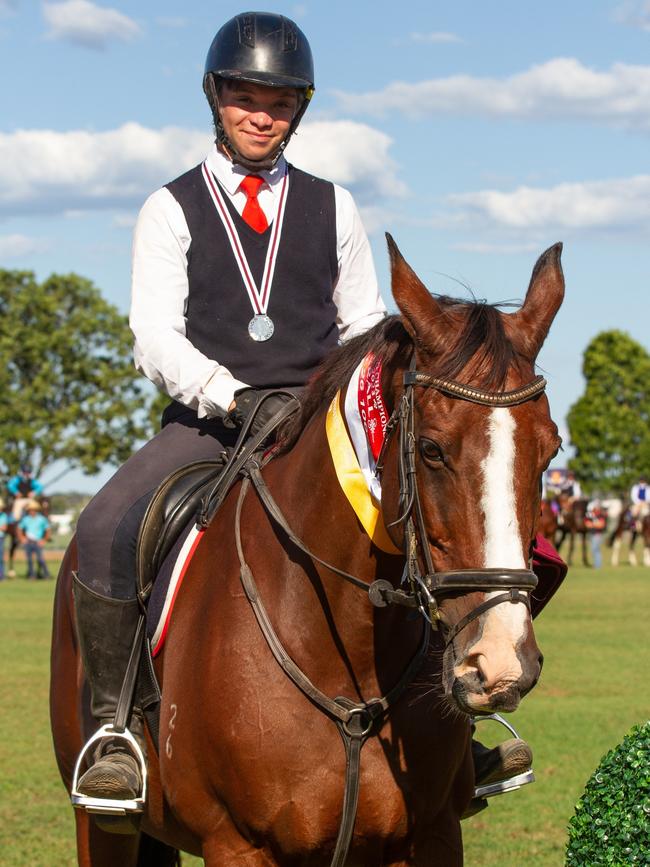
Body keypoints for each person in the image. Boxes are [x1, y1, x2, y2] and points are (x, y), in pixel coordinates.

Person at [71, 10, 532, 816]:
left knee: (446, 521)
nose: (261, 114)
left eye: (278, 102)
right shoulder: (169, 207)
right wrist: (232, 392)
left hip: (321, 423)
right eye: (245, 97)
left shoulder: (333, 206)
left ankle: (462, 736)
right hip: (211, 420)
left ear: (300, 110)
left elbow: (360, 328)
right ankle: (115, 732)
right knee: (110, 522)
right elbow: (153, 334)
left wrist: (339, 404)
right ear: (215, 99)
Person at [17, 500, 51, 579]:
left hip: (37, 542)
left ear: (36, 510)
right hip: (28, 542)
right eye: (30, 510)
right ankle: (32, 575)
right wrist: (22, 538)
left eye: (33, 509)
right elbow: (19, 529)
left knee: (40, 559)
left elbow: (48, 530)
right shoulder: (25, 519)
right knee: (29, 560)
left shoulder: (42, 519)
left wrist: (44, 540)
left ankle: (46, 575)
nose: (32, 511)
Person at [585, 499, 607, 568]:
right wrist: (595, 524)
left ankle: (597, 565)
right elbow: (587, 524)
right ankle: (597, 564)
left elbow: (601, 525)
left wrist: (593, 524)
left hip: (597, 535)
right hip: (591, 534)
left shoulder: (601, 515)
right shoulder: (589, 515)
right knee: (595, 549)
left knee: (595, 549)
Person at [0, 498, 7, 581]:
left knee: (0, 557)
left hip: (0, 538)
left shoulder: (4, 516)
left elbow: (4, 528)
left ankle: (1, 575)